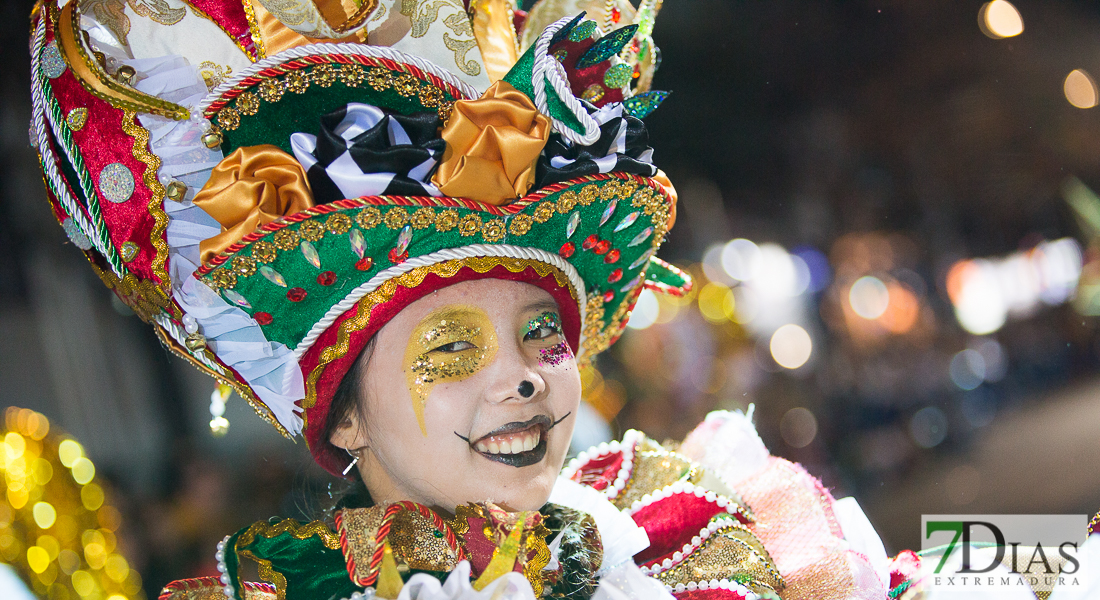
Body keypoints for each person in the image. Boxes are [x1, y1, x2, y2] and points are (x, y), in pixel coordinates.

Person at [29, 0, 921, 598]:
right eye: (451, 349)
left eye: (544, 337)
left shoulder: (684, 524)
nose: (526, 380)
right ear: (345, 420)